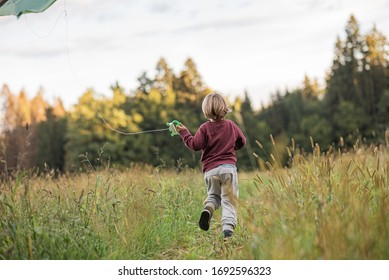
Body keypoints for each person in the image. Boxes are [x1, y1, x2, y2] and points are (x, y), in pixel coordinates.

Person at [177, 92, 246, 239]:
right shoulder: (231, 125)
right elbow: (242, 141)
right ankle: (227, 230)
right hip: (228, 169)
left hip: (210, 170)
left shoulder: (204, 128)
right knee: (229, 200)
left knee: (214, 196)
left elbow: (194, 145)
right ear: (224, 108)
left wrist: (184, 133)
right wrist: (232, 147)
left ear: (206, 110)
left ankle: (208, 208)